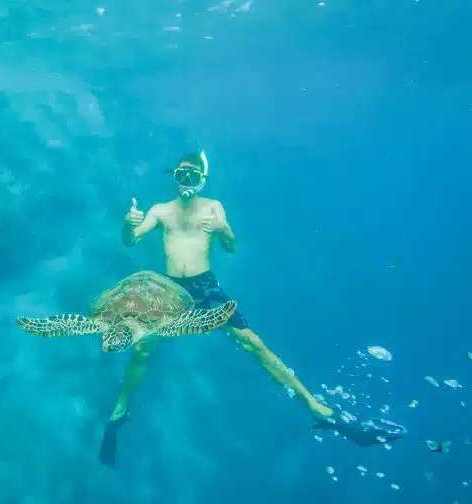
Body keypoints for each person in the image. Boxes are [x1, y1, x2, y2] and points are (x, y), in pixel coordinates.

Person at [98, 151, 406, 468]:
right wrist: (126, 225)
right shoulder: (160, 211)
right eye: (180, 176)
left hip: (205, 287)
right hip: (171, 289)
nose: (185, 183)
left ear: (202, 179)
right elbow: (131, 241)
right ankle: (118, 415)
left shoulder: (213, 208)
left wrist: (222, 229)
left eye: (191, 177)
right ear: (173, 176)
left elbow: (231, 247)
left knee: (254, 344)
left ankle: (320, 410)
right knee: (142, 348)